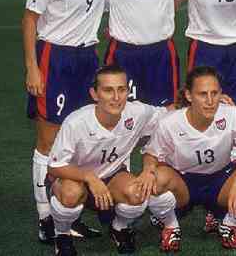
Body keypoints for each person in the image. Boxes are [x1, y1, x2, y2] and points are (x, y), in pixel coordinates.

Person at [22, 0, 107, 244]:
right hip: (55, 57)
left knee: (79, 142)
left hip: (87, 60)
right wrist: (33, 66)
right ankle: (45, 218)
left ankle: (67, 215)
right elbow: (29, 19)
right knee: (48, 142)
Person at [142, 66, 236, 251]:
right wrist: (148, 170)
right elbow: (151, 154)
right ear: (188, 95)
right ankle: (171, 225)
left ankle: (229, 223)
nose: (210, 101)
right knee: (153, 181)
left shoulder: (230, 114)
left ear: (221, 93)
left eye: (215, 93)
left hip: (221, 180)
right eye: (202, 94)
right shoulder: (170, 122)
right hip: (183, 181)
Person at [46, 65, 167, 255]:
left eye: (121, 89)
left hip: (112, 177)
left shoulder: (138, 113)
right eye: (108, 90)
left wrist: (218, 105)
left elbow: (171, 113)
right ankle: (62, 235)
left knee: (138, 193)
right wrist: (89, 177)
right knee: (70, 193)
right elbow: (54, 166)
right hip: (74, 180)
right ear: (94, 94)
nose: (116, 97)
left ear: (128, 91)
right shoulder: (76, 122)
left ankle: (119, 229)